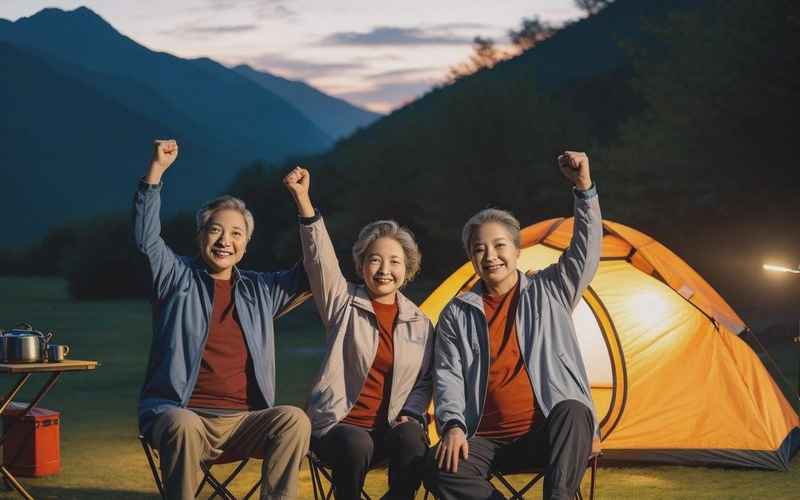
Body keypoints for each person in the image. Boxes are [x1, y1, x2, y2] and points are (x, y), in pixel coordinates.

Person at [134, 139, 312, 500]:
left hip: (245, 422)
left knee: (294, 419)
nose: (224, 241)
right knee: (180, 423)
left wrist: (302, 201)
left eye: (236, 233)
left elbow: (316, 272)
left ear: (246, 243)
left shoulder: (261, 290)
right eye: (215, 230)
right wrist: (156, 172)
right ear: (200, 236)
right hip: (183, 415)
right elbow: (145, 240)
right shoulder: (175, 276)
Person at [424, 151, 601, 500]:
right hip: (484, 438)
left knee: (575, 409)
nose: (490, 256)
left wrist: (584, 188)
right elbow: (448, 379)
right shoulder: (456, 314)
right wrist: (454, 426)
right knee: (438, 466)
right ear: (471, 258)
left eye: (499, 245)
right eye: (479, 249)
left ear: (517, 250)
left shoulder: (551, 289)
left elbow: (586, 251)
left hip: (546, 433)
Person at [283, 166, 433, 499]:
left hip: (389, 431)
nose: (384, 270)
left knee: (412, 440)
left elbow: (424, 381)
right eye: (375, 260)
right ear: (361, 264)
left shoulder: (419, 322)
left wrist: (410, 415)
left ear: (407, 270)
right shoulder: (342, 301)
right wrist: (304, 201)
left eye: (394, 262)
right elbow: (319, 259)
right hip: (337, 430)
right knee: (357, 441)